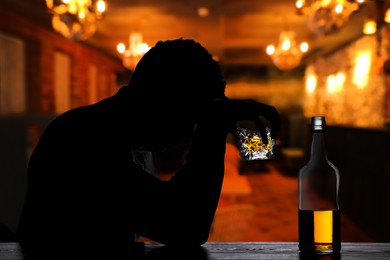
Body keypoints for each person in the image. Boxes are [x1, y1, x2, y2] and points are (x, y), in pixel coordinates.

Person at [16, 38, 281, 259]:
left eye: (197, 120)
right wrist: (213, 126)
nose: (189, 133)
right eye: (189, 115)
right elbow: (184, 226)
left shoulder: (110, 131)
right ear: (161, 97)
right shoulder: (82, 139)